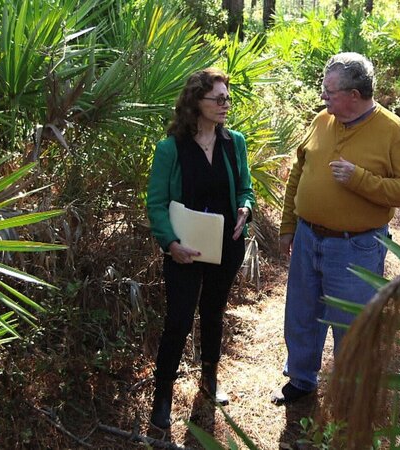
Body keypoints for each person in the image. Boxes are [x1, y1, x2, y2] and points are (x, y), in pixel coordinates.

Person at [272, 52, 400, 404]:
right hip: (309, 238)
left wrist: (361, 180)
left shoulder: (391, 130)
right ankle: (301, 379)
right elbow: (299, 170)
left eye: (329, 92)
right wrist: (288, 225)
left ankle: (350, 394)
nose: (323, 98)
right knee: (302, 314)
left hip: (355, 246)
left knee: (350, 324)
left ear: (355, 95)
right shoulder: (322, 119)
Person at [146, 68, 254, 429]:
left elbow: (245, 188)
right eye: (218, 98)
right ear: (196, 102)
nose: (226, 104)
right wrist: (170, 243)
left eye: (227, 97)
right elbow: (157, 203)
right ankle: (162, 396)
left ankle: (209, 378)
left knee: (213, 311)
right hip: (183, 250)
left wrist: (245, 208)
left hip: (226, 245)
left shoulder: (233, 142)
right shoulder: (170, 148)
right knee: (177, 319)